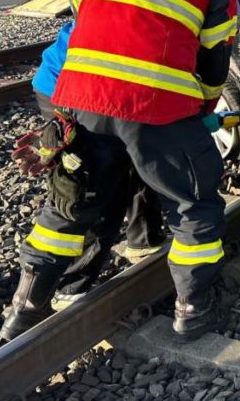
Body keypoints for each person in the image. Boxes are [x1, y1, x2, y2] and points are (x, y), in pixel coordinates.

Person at [1, 0, 237, 341]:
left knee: (71, 205)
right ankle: (193, 312)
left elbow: (89, 15)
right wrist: (207, 104)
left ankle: (25, 310)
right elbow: (215, 56)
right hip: (155, 106)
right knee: (193, 203)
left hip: (78, 101)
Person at [25, 20, 165, 310]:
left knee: (137, 158)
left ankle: (144, 240)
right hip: (76, 90)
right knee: (95, 189)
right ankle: (68, 285)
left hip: (107, 88)